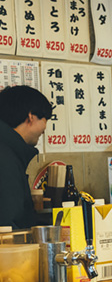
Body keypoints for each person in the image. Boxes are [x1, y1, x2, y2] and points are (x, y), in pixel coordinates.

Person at [0, 86, 52, 229]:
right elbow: (7, 223)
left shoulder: (9, 150)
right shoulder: (5, 158)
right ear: (31, 117)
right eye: (45, 119)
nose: (44, 129)